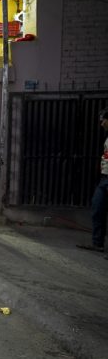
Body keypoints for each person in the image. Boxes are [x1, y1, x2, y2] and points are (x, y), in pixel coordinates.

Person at [77, 109, 108, 254]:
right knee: (97, 207)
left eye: (103, 120)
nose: (101, 123)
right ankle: (98, 243)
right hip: (104, 178)